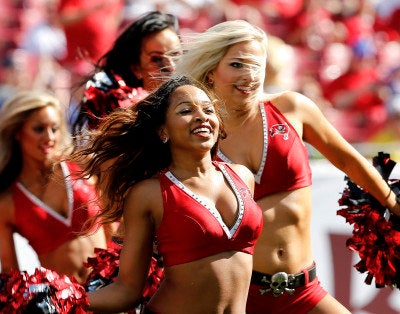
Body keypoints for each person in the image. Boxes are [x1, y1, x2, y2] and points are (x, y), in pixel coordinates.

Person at [173, 20, 400, 314]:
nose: (249, 75)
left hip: (303, 291)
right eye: (237, 64)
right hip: (236, 297)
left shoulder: (292, 108)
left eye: (257, 65)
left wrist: (395, 205)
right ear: (211, 73)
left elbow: (349, 160)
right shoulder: (197, 132)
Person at [74, 76, 263, 312]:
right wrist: (64, 301)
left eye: (208, 110)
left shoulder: (242, 176)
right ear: (163, 129)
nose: (201, 116)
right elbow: (126, 291)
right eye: (186, 111)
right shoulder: (149, 193)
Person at [0, 91, 109, 283]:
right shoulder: (6, 202)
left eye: (55, 128)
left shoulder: (84, 165)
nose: (49, 137)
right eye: (39, 129)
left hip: (112, 293)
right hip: (65, 306)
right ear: (17, 133)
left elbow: (114, 225)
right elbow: (10, 275)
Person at [70, 10, 181, 133]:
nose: (171, 67)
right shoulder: (126, 120)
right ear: (136, 68)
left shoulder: (201, 104)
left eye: (176, 55)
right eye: (156, 59)